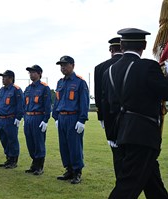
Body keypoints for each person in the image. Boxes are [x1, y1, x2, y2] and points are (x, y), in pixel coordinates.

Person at [103, 28, 168, 198]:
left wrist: (112, 136)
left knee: (154, 185)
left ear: (122, 45)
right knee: (127, 187)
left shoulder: (108, 71)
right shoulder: (148, 67)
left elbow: (109, 106)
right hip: (143, 135)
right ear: (144, 46)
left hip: (122, 133)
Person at [52, 56, 89, 184]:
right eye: (61, 65)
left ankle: (77, 171)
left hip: (73, 118)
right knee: (64, 146)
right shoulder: (60, 82)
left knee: (74, 146)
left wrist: (82, 120)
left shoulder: (80, 82)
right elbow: (57, 101)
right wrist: (55, 117)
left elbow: (84, 102)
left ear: (73, 65)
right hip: (61, 117)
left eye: (65, 65)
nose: (63, 68)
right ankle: (68, 170)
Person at [94, 37, 123, 177]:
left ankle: (121, 180)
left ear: (111, 50)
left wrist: (101, 117)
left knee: (117, 153)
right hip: (133, 117)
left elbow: (99, 96)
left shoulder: (100, 68)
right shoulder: (137, 64)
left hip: (110, 116)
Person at [24, 65, 51, 175]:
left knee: (39, 142)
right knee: (30, 142)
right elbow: (24, 105)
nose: (31, 74)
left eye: (33, 72)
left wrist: (45, 120)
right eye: (30, 73)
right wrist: (25, 118)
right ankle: (34, 163)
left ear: (39, 73)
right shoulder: (28, 88)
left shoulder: (44, 88)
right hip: (29, 117)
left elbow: (47, 105)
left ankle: (39, 166)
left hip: (38, 117)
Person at [0, 70, 24, 169]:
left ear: (11, 78)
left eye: (5, 77)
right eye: (2, 77)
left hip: (10, 119)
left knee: (12, 140)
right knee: (4, 139)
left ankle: (13, 160)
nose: (3, 79)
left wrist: (18, 117)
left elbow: (20, 104)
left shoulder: (16, 89)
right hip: (1, 119)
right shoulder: (2, 90)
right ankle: (8, 158)